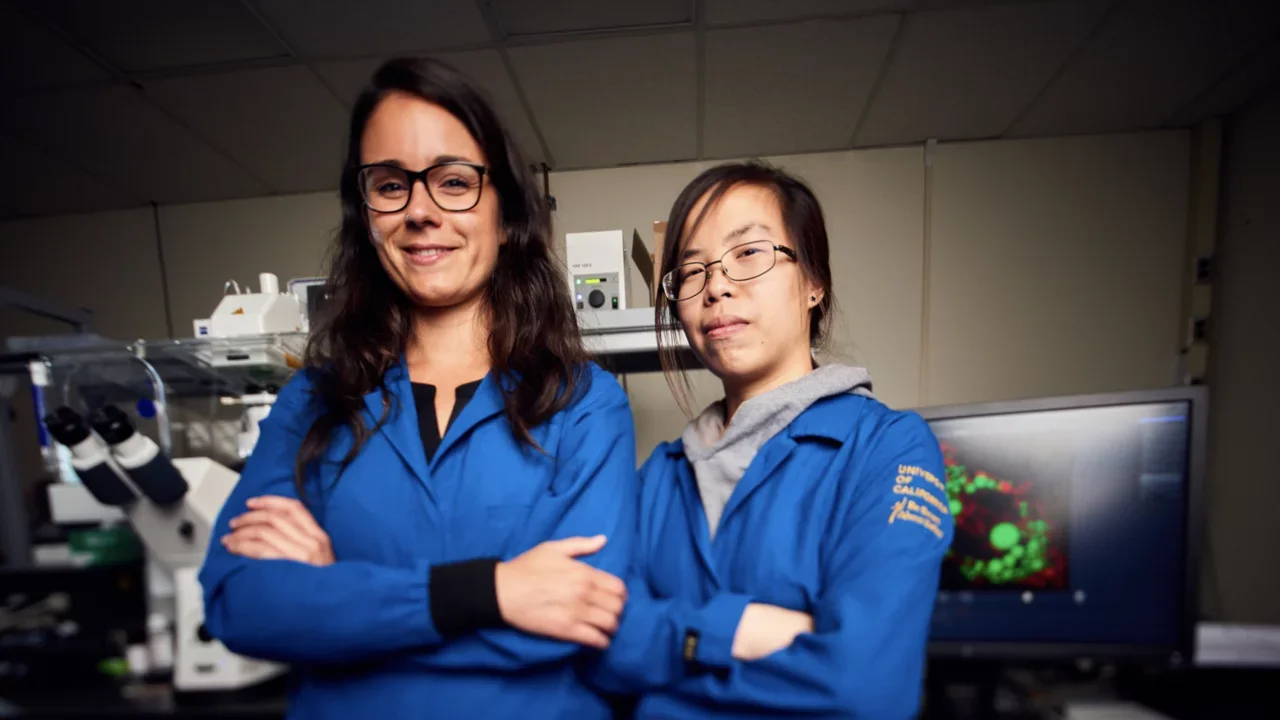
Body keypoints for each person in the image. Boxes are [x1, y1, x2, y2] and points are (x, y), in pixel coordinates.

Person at [198, 57, 637, 719]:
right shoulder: (315, 400)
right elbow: (240, 604)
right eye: (391, 184)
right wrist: (492, 592)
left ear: (506, 212)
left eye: (454, 182)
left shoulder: (583, 401)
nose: (421, 211)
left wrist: (335, 595)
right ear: (365, 212)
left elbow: (586, 610)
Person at [593, 162, 955, 718]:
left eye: (749, 254)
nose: (717, 286)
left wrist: (663, 668)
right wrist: (730, 631)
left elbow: (863, 689)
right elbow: (597, 653)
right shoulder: (659, 478)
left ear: (813, 283)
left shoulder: (886, 449)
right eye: (692, 272)